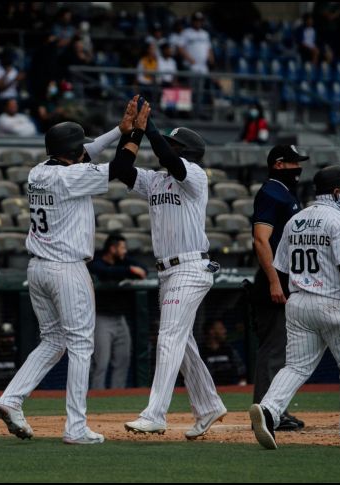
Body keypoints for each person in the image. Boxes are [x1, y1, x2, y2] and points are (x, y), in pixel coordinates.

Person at [0, 97, 148, 446]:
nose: (84, 151)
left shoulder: (38, 171)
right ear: (72, 151)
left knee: (53, 341)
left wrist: (117, 131)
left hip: (38, 269)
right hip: (66, 269)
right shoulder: (71, 176)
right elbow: (122, 168)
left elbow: (85, 154)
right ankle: (75, 426)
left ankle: (12, 398)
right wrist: (135, 133)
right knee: (80, 344)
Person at [250, 165, 340, 450]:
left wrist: (286, 294)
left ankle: (269, 410)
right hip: (335, 301)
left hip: (297, 302)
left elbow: (280, 267)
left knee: (295, 366)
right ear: (335, 192)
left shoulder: (296, 219)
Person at [120, 118, 227, 441]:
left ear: (186, 151)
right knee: (182, 344)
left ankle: (154, 414)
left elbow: (169, 158)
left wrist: (151, 128)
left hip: (190, 267)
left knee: (168, 338)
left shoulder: (194, 175)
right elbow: (122, 168)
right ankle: (208, 405)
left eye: (173, 143)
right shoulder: (156, 180)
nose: (166, 147)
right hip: (167, 271)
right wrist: (134, 132)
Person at [250, 144, 308, 433]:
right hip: (273, 282)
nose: (299, 167)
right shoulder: (270, 192)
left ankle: (275, 410)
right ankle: (265, 411)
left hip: (285, 281)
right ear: (279, 164)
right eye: (294, 163)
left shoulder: (284, 192)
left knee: (284, 350)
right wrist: (274, 280)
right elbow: (261, 240)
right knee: (274, 349)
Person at [87, 233, 146, 390]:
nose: (124, 251)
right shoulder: (97, 260)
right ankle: (97, 398)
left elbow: (143, 269)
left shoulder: (123, 261)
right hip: (101, 319)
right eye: (122, 247)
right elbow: (104, 271)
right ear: (112, 248)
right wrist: (128, 270)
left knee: (123, 360)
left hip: (120, 319)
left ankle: (117, 398)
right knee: (101, 363)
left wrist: (128, 268)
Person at [200, 320, 247, 386]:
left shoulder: (229, 350)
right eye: (221, 329)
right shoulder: (201, 352)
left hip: (229, 389)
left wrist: (242, 384)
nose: (225, 331)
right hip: (208, 389)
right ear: (211, 331)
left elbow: (241, 371)